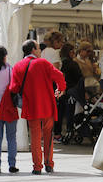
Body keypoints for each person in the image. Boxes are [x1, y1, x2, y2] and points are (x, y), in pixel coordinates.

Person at [9, 40, 66, 174]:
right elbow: (59, 75)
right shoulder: (43, 63)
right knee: (48, 136)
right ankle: (49, 164)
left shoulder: (17, 66)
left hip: (31, 107)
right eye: (39, 48)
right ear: (33, 50)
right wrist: (60, 89)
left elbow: (13, 88)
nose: (40, 51)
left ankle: (37, 167)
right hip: (47, 106)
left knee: (35, 137)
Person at [57, 43, 83, 141]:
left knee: (61, 111)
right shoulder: (73, 64)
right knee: (69, 112)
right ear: (69, 52)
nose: (74, 53)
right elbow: (79, 77)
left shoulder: (62, 63)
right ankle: (69, 129)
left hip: (63, 90)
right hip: (72, 90)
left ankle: (58, 132)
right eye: (72, 51)